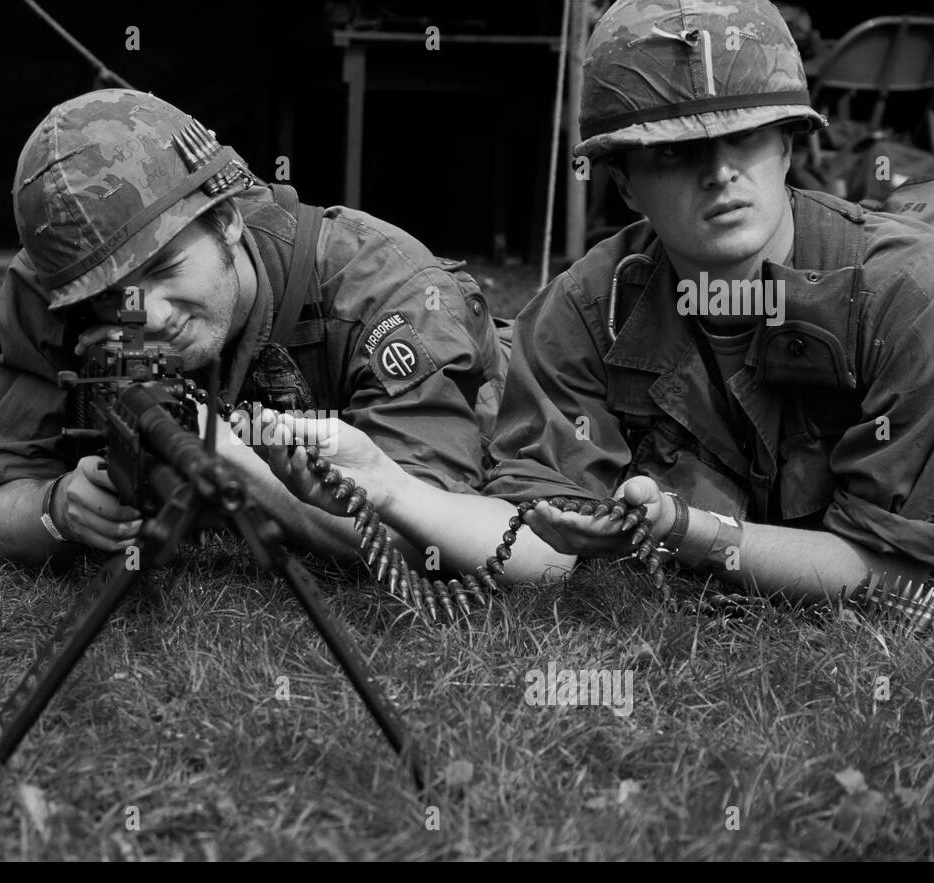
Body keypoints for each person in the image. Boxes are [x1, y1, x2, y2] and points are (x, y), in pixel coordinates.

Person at [266, 0, 934, 608]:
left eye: (746, 138)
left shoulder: (904, 296)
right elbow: (541, 548)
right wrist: (389, 488)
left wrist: (688, 531)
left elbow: (899, 572)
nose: (720, 172)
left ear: (788, 145)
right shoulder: (587, 310)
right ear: (625, 183)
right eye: (676, 153)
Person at [0, 89, 510, 568]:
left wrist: (239, 469)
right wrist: (59, 509)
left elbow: (427, 539)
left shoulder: (385, 293)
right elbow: (10, 495)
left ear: (227, 219)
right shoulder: (59, 286)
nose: (150, 315)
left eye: (165, 269)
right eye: (109, 298)